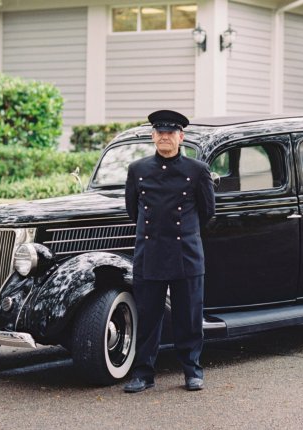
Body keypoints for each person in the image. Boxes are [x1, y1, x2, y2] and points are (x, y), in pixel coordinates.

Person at [123, 109, 215, 393]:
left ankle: (192, 371)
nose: (165, 137)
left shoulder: (197, 171)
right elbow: (132, 211)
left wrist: (184, 232)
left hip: (185, 252)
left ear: (181, 137)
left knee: (188, 317)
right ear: (153, 136)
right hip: (149, 251)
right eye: (160, 133)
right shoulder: (137, 170)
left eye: (171, 133)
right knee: (148, 316)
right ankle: (143, 374)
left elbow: (207, 212)